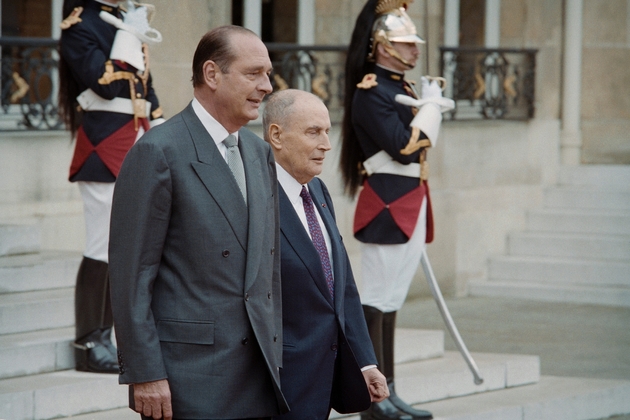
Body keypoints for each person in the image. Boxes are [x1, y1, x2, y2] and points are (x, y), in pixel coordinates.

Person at [108, 26, 288, 419]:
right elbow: (130, 276)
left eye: (268, 74)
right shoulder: (158, 151)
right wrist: (145, 372)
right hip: (187, 381)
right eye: (254, 73)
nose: (267, 86)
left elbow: (267, 270)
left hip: (259, 378)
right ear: (212, 75)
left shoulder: (259, 152)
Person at [340, 1, 449, 419]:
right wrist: (432, 110)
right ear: (382, 46)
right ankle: (373, 398)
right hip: (387, 204)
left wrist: (426, 106)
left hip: (410, 202)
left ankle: (391, 390)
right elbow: (405, 149)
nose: (415, 50)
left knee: (393, 301)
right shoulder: (372, 92)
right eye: (405, 43)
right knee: (376, 301)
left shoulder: (401, 89)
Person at [262, 89, 389, 420]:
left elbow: (340, 284)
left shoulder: (316, 190)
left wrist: (365, 361)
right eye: (313, 132)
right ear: (276, 135)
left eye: (327, 132)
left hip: (323, 383)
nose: (326, 145)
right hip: (277, 385)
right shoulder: (255, 198)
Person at [58, 0, 164, 374]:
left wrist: (163, 131)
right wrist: (127, 36)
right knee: (101, 244)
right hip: (103, 146)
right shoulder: (80, 24)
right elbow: (101, 83)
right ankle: (89, 340)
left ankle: (112, 335)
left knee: (126, 247)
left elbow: (145, 90)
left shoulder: (122, 19)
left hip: (136, 139)